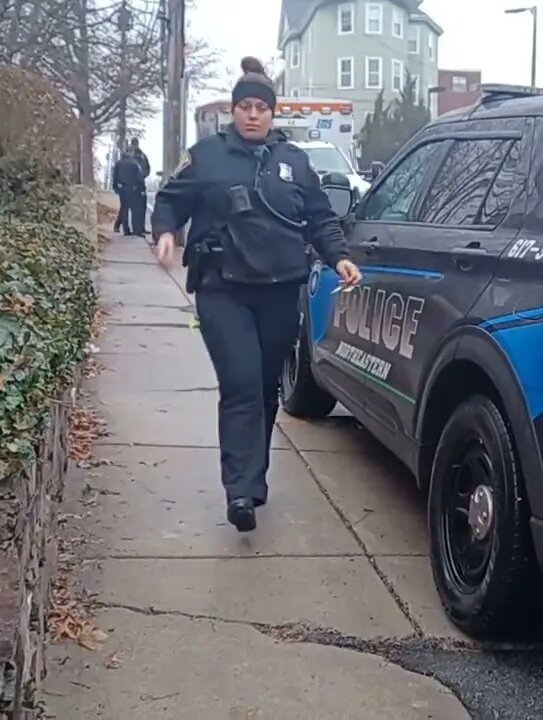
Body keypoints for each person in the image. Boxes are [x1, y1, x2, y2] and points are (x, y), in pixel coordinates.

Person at [150, 56, 363, 533]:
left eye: (260, 107)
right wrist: (164, 230)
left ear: (272, 113)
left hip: (280, 289)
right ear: (233, 110)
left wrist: (339, 256)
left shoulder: (293, 161)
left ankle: (254, 478)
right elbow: (170, 199)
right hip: (222, 287)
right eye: (244, 106)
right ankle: (238, 490)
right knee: (242, 383)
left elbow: (319, 217)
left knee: (266, 387)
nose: (252, 114)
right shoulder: (208, 156)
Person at [111, 150, 145, 235]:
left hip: (122, 188)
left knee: (124, 209)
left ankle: (126, 230)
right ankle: (136, 229)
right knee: (134, 210)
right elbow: (139, 177)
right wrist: (141, 188)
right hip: (133, 189)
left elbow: (115, 177)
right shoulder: (134, 163)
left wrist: (116, 188)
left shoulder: (118, 164)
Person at [127, 138, 151, 236]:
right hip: (132, 185)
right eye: (134, 144)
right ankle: (137, 230)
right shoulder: (129, 156)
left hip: (141, 184)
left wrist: (143, 175)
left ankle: (141, 228)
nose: (135, 146)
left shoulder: (142, 155)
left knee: (142, 208)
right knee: (135, 209)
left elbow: (148, 167)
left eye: (136, 144)